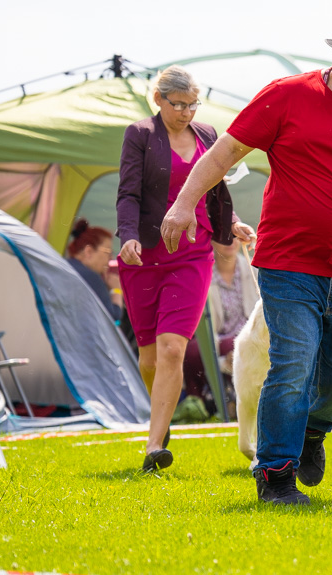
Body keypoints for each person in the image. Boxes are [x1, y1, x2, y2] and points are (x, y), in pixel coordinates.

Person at [160, 17, 332, 505]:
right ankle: (275, 475)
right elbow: (224, 152)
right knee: (292, 364)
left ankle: (311, 433)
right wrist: (184, 204)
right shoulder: (288, 95)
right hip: (288, 263)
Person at [115, 65, 255, 473]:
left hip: (192, 254)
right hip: (143, 254)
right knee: (149, 359)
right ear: (158, 99)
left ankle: (154, 444)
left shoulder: (208, 136)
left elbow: (215, 188)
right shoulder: (139, 135)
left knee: (172, 347)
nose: (188, 112)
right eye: (179, 104)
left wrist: (231, 223)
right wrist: (127, 237)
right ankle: (163, 410)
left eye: (194, 104)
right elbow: (128, 193)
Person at [182, 236, 259, 420]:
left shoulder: (253, 270)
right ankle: (202, 402)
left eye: (234, 238)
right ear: (211, 242)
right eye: (224, 238)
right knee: (191, 351)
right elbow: (200, 327)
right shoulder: (203, 275)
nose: (230, 242)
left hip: (250, 337)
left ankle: (231, 401)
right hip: (218, 341)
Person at [66, 219, 123, 323]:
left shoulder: (66, 266)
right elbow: (112, 318)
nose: (110, 258)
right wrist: (116, 290)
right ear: (89, 251)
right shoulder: (90, 276)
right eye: (108, 252)